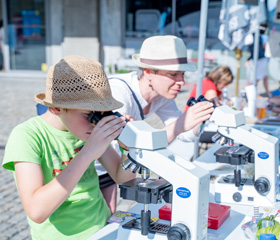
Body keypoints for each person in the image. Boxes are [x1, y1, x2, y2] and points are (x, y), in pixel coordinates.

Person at [2, 55, 136, 239]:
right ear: (56, 108)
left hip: (102, 230)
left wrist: (129, 149)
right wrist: (87, 154)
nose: (96, 123)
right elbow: (36, 210)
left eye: (103, 114)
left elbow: (123, 178)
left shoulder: (85, 129)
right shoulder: (27, 136)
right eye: (90, 114)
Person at [94, 35, 215, 211]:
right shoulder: (118, 92)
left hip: (111, 168)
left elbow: (185, 135)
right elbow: (134, 146)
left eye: (182, 74)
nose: (181, 82)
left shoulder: (161, 96)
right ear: (149, 72)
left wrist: (199, 117)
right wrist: (181, 124)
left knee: (108, 217)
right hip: (89, 166)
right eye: (173, 74)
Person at [246, 24, 270, 97]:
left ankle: (266, 92)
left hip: (254, 60)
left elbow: (251, 51)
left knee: (260, 77)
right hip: (262, 59)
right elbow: (265, 47)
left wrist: (248, 59)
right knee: (258, 78)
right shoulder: (264, 37)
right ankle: (252, 93)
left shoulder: (254, 36)